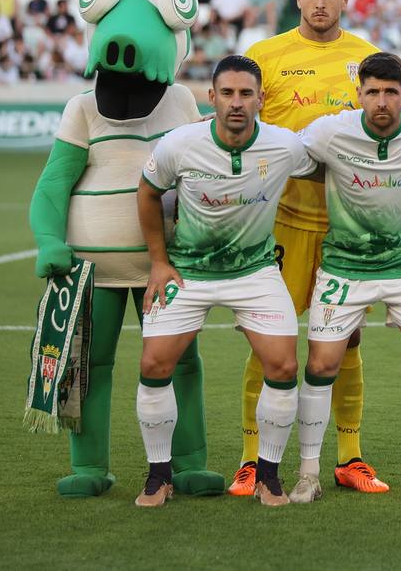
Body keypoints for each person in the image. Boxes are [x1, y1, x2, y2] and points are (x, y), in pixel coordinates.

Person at [231, 0, 384, 497]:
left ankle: (350, 456)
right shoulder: (264, 57)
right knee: (267, 339)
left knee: (348, 338)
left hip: (348, 224)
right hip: (280, 221)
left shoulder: (367, 59)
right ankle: (251, 459)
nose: (320, 3)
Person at [134, 55, 318, 507]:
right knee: (154, 364)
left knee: (284, 366)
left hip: (254, 272)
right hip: (188, 271)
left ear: (260, 99)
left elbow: (324, 170)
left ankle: (268, 476)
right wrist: (159, 262)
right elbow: (148, 191)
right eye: (228, 93)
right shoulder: (179, 144)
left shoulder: (285, 146)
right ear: (211, 97)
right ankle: (159, 476)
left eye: (246, 94)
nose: (237, 103)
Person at [287, 53, 401, 504]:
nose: (381, 101)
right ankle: (308, 473)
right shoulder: (329, 131)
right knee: (321, 366)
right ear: (359, 95)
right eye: (372, 92)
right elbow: (288, 156)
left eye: (390, 92)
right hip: (345, 268)